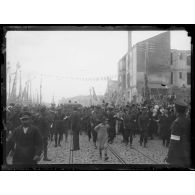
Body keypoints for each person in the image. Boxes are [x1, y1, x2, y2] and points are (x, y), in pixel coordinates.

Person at [165, 95, 191, 167]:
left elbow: (173, 141)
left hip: (178, 153)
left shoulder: (176, 123)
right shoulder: (188, 120)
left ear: (176, 110)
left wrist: (168, 156)